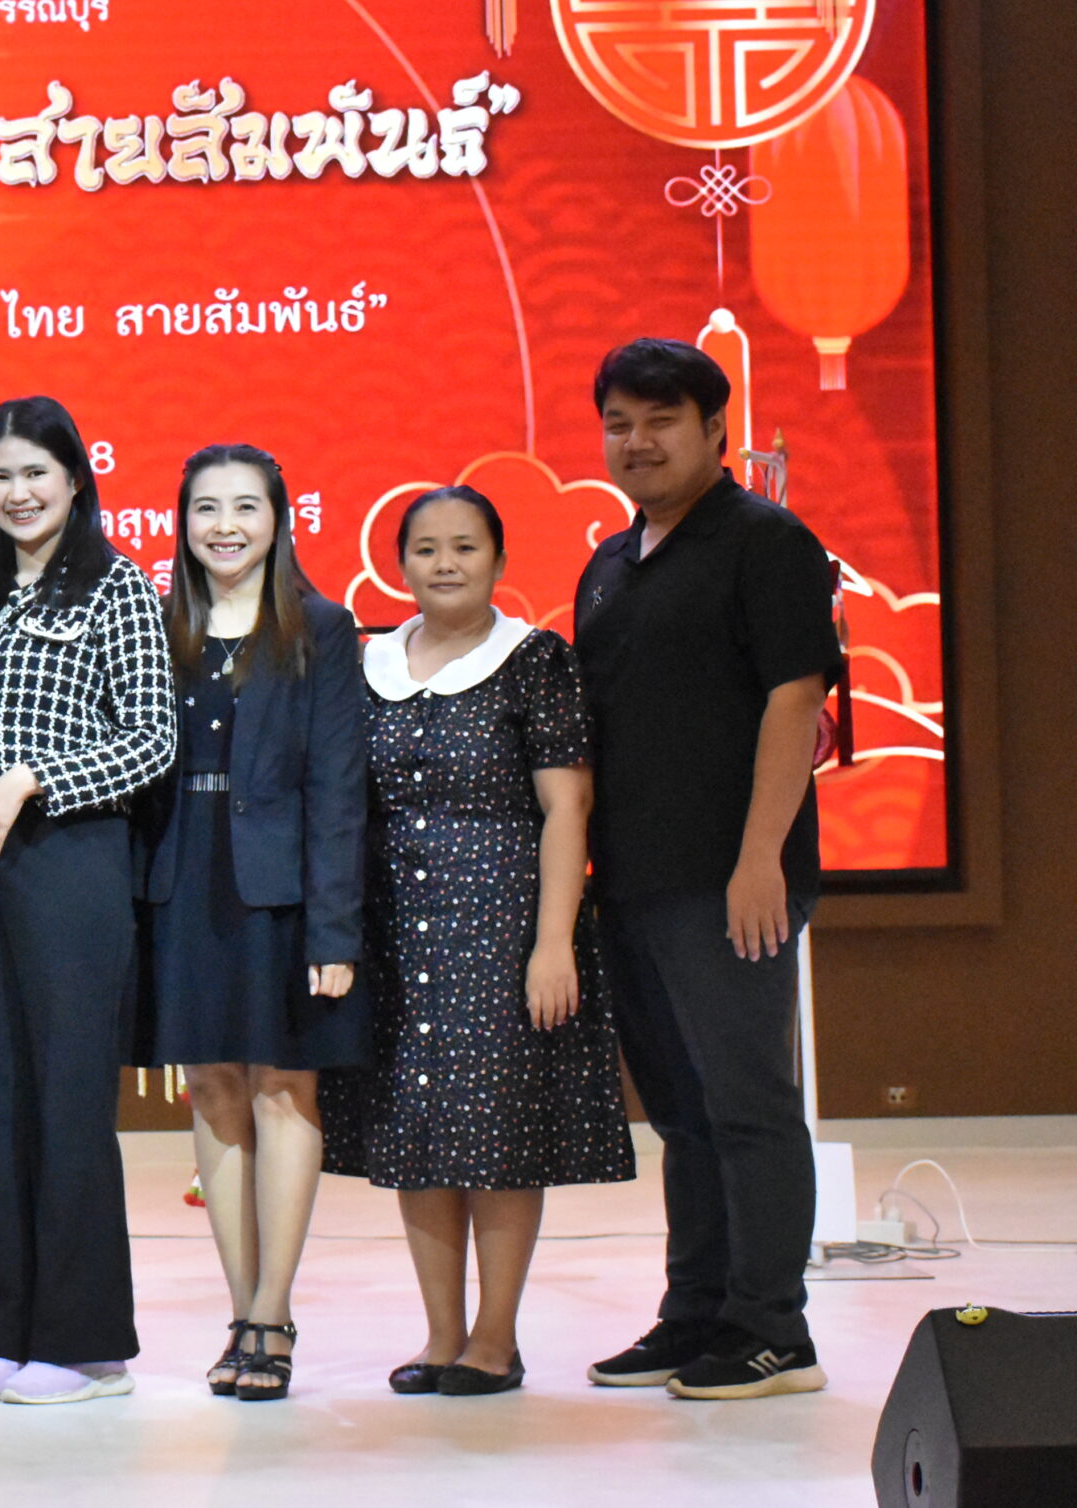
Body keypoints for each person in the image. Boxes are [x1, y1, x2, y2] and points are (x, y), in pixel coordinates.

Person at [320, 486, 633, 1398]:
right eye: (425, 548)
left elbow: (567, 806)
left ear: (499, 559)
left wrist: (553, 942)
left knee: (499, 1133)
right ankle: (441, 1335)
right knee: (416, 1132)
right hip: (393, 934)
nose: (444, 563)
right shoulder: (370, 663)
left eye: (464, 546)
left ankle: (496, 1339)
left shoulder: (535, 660)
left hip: (500, 928)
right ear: (399, 563)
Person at [574, 338, 842, 1400]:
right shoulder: (609, 563)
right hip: (631, 881)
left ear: (715, 430)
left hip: (730, 882)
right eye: (619, 424)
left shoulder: (765, 541)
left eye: (660, 421)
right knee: (683, 1117)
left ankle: (773, 1331)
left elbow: (795, 697)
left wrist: (759, 857)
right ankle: (696, 1313)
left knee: (746, 1107)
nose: (637, 442)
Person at [0, 396, 176, 1407]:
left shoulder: (116, 586)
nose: (18, 492)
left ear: (75, 480)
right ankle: (12, 1330)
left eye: (36, 472)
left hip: (72, 864)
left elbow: (153, 738)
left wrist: (33, 779)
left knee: (68, 1101)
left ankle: (86, 1346)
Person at [133, 444, 367, 1401]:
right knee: (212, 1089)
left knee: (282, 1089)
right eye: (205, 508)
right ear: (182, 522)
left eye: (244, 507)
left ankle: (274, 1312)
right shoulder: (156, 625)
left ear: (278, 519)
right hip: (181, 883)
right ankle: (241, 1314)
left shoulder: (322, 627)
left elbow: (339, 787)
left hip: (285, 892)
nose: (224, 526)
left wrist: (335, 930)